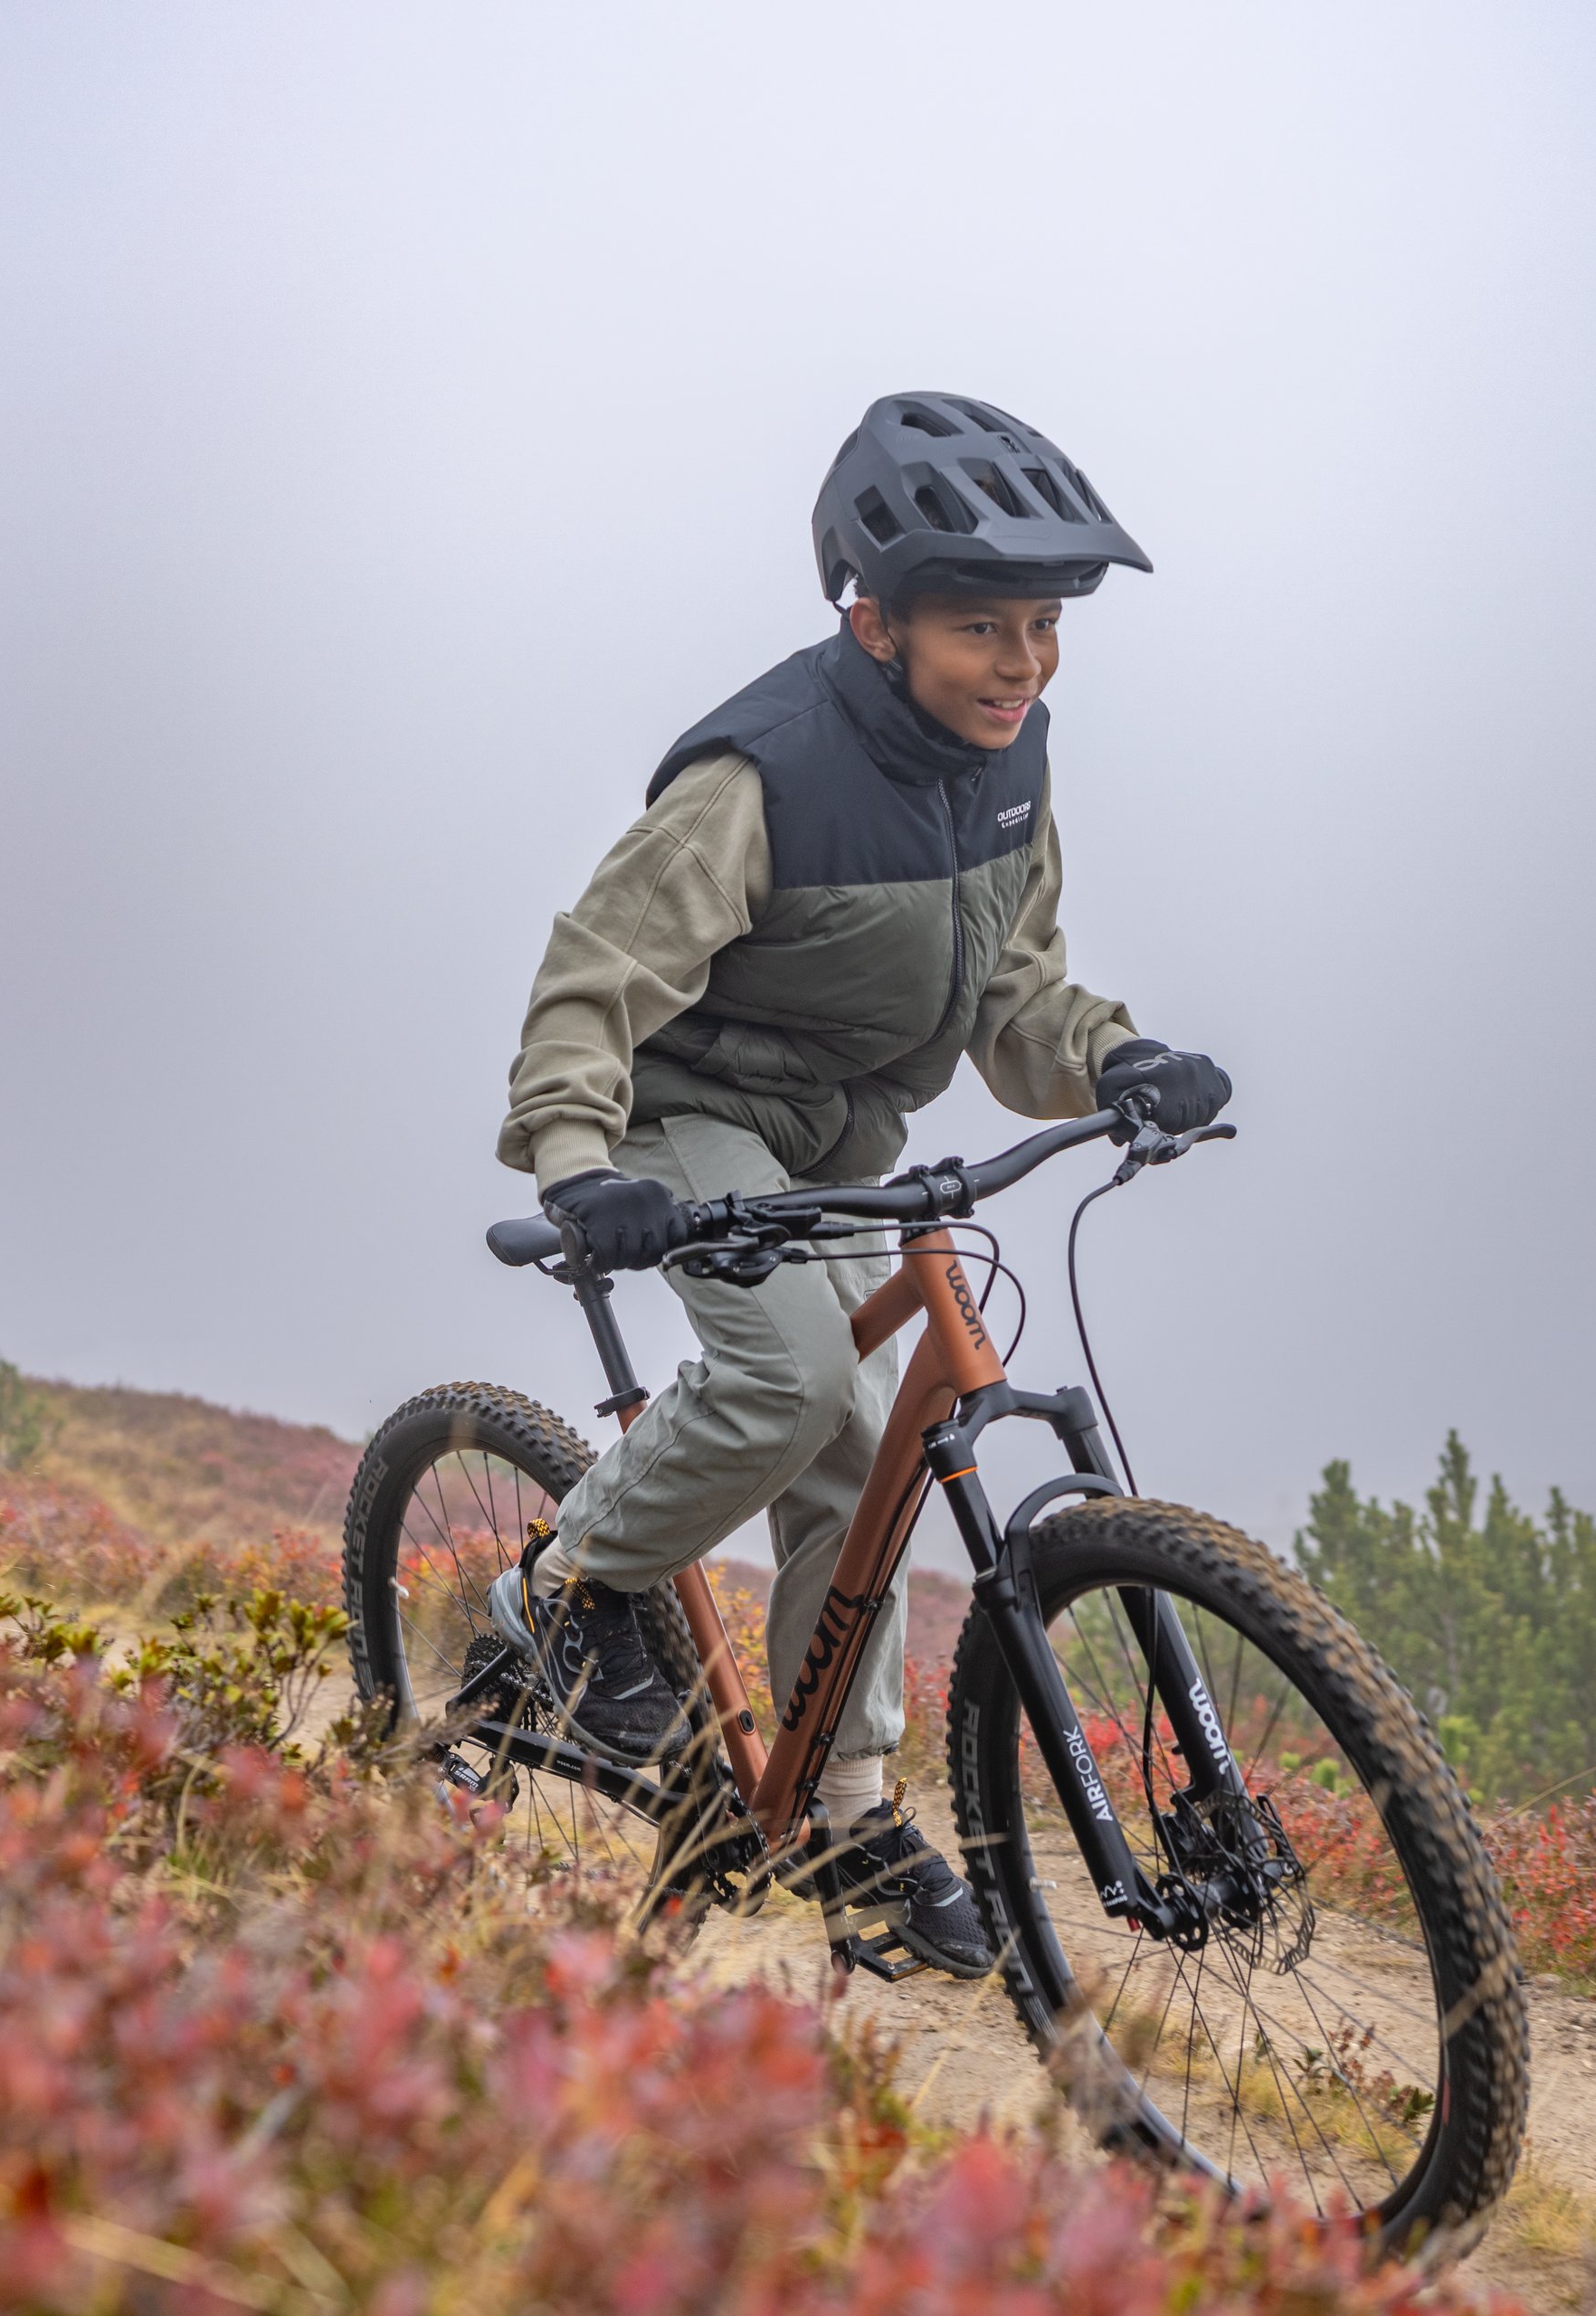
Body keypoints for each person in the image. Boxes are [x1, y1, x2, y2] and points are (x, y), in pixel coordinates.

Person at [489, 392, 1231, 1977]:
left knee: (862, 1456)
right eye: (984, 629)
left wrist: (1115, 1059)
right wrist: (574, 1161)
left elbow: (1016, 1000)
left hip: (835, 1151)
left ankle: (836, 1810)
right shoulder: (763, 777)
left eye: (1043, 627)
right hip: (675, 1113)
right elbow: (591, 982)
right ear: (873, 621)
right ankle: (565, 1597)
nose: (1024, 665)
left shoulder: (1008, 768)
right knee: (789, 1383)